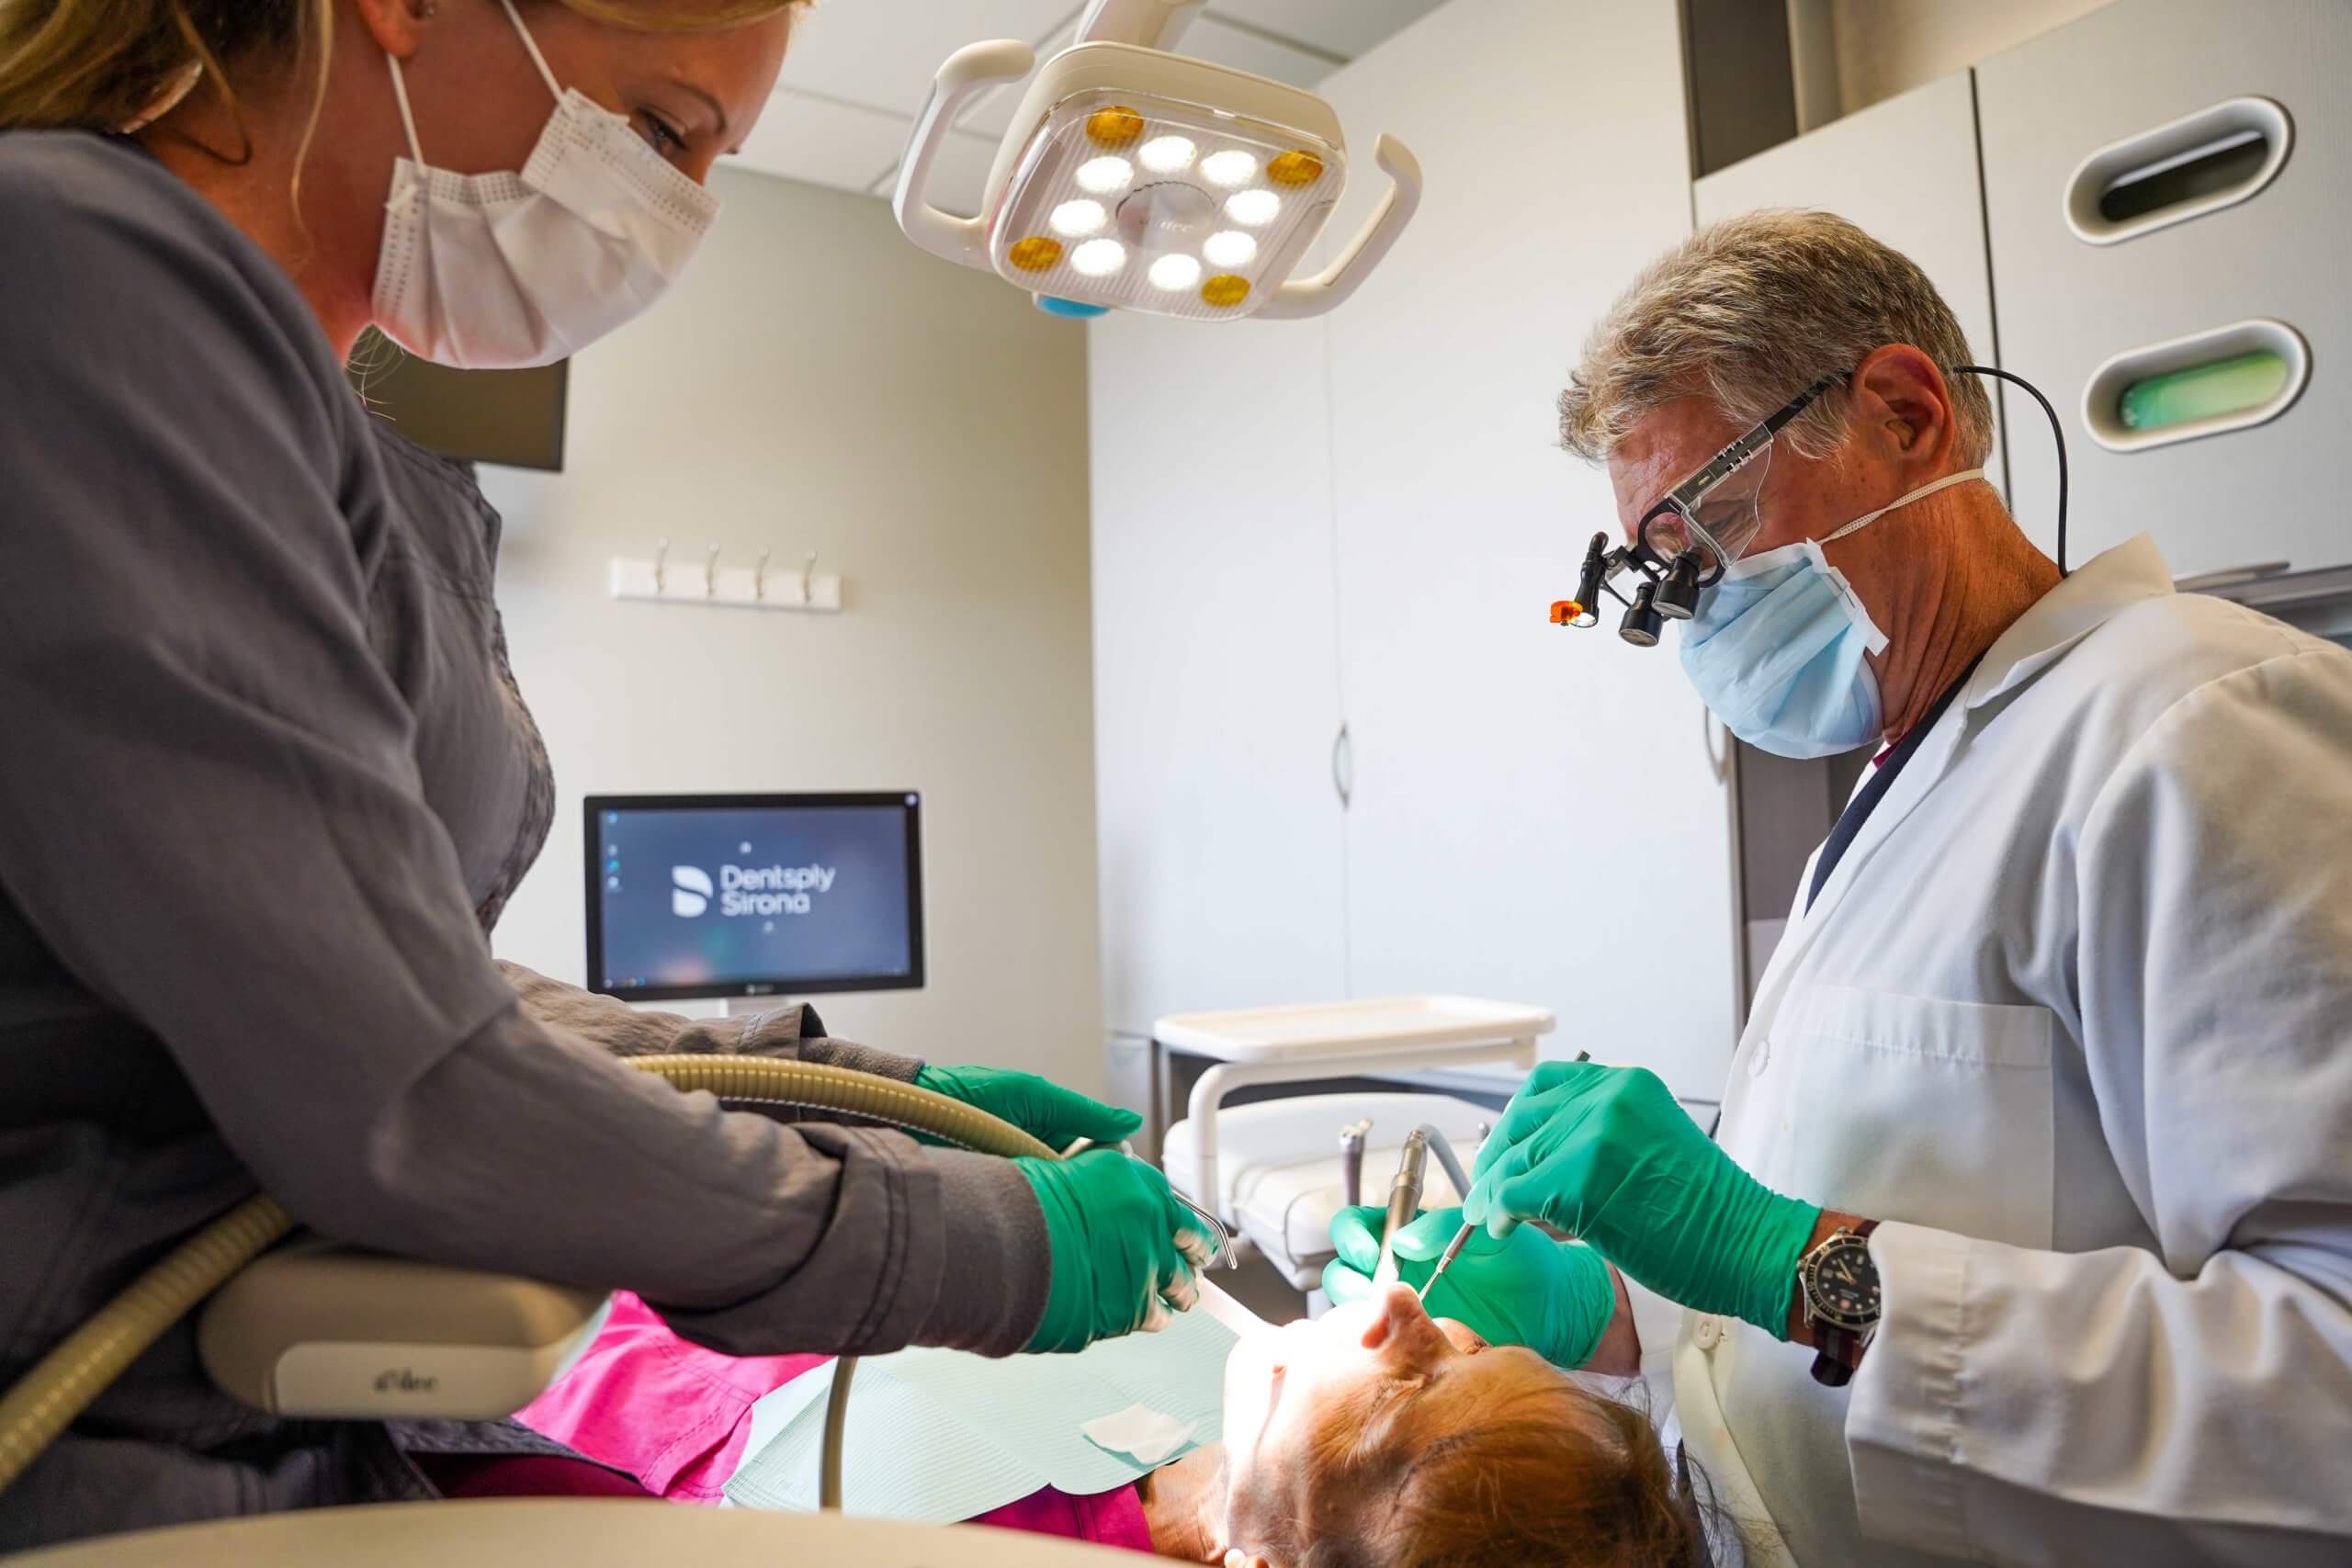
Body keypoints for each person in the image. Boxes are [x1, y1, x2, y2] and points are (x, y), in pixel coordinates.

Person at [0, 0, 1203, 1549]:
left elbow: (426, 992)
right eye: (662, 129)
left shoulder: (329, 435)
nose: (670, 217)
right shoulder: (78, 277)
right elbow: (412, 1079)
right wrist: (982, 1246)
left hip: (296, 1418)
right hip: (108, 1436)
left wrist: (873, 1095)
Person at [1329, 210, 2352, 1565]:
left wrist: (1784, 1260)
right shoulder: (1893, 800)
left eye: (1709, 534)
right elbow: (1870, 1244)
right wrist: (1612, 1306)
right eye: (1659, 574)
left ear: (1905, 414)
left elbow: (2327, 1374)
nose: (1695, 608)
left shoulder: (2196, 725)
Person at [508, 1268, 1724, 1566]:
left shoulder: (996, 1537)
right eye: (1464, 1340)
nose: (1411, 1308)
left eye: (1421, 1388)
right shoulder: (1206, 1379)